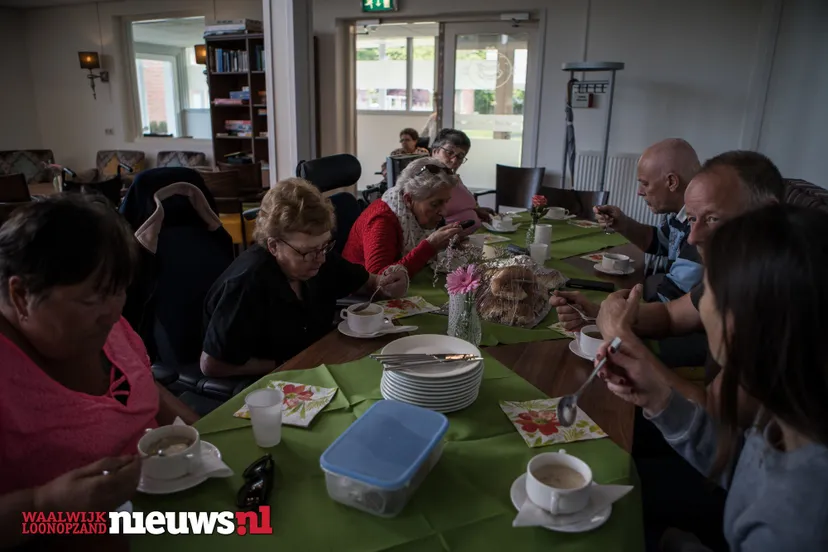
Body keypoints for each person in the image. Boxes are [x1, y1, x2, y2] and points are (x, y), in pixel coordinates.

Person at [594, 204, 828, 551]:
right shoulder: (788, 410)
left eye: (711, 289)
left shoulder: (794, 523)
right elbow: (743, 468)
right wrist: (660, 399)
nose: (701, 304)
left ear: (745, 325)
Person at [0, 195, 198, 549]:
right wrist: (44, 505)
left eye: (119, 292)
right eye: (91, 300)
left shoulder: (100, 317)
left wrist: (206, 436)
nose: (112, 314)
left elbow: (144, 385)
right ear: (20, 295)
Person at [551, 151, 786, 406]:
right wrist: (600, 313)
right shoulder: (730, 273)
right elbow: (672, 315)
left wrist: (624, 338)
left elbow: (718, 423)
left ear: (767, 215)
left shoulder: (779, 301)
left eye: (712, 219)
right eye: (693, 219)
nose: (693, 237)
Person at [201, 179, 408, 378]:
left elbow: (370, 283)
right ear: (274, 246)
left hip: (318, 359)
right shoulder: (246, 284)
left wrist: (387, 283)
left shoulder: (319, 256)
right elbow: (212, 364)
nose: (319, 258)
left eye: (324, 245)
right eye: (306, 251)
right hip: (270, 380)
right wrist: (286, 362)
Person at [594, 138, 702, 302]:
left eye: (645, 184)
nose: (639, 192)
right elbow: (658, 242)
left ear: (672, 182)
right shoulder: (678, 214)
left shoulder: (700, 227)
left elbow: (668, 297)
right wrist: (623, 223)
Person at [343, 157, 464, 277]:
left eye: (446, 202)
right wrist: (430, 247)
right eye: (435, 204)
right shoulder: (382, 221)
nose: (444, 212)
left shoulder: (408, 211)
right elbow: (379, 279)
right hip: (361, 291)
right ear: (408, 199)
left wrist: (444, 244)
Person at [432, 128, 494, 235]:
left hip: (475, 236)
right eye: (449, 152)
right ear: (435, 151)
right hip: (450, 243)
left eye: (460, 156)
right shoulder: (428, 181)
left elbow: (457, 206)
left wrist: (476, 211)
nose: (454, 160)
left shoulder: (453, 177)